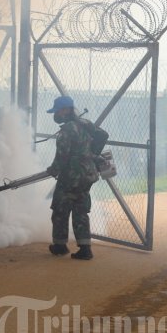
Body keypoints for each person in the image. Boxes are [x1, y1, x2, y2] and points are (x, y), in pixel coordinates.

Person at [46, 95, 108, 260]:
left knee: (60, 209)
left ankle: (60, 246)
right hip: (87, 175)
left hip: (71, 177)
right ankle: (85, 249)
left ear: (65, 110)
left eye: (58, 111)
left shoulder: (67, 130)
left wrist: (54, 169)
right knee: (80, 211)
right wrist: (91, 154)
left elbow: (62, 156)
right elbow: (103, 135)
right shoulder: (85, 124)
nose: (56, 114)